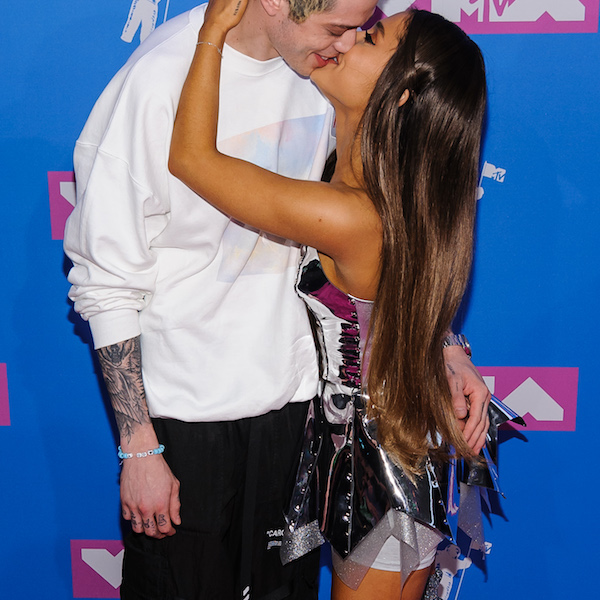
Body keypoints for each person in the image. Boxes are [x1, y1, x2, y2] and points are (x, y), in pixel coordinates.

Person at [64, 0, 490, 598]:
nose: (347, 42)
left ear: (398, 96)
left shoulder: (345, 183)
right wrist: (140, 447)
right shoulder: (366, 160)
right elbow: (408, 275)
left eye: (366, 35)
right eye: (347, 29)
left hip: (361, 454)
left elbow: (194, 160)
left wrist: (213, 31)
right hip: (261, 434)